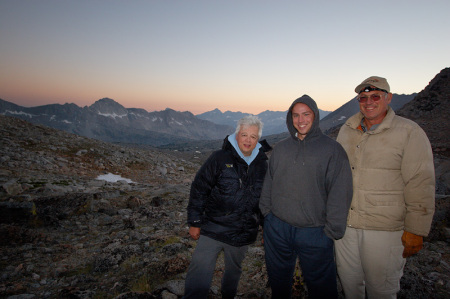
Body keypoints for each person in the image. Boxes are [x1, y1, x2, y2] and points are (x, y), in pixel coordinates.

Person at [335, 76, 435, 299]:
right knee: (350, 286)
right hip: (347, 228)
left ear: (388, 98)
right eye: (363, 98)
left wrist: (416, 229)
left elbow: (420, 181)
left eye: (375, 96)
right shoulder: (347, 130)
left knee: (382, 290)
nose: (368, 102)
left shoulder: (409, 132)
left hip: (385, 230)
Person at [259, 95, 353, 298]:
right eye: (296, 115)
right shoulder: (281, 148)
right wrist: (267, 215)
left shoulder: (332, 150)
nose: (301, 120)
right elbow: (269, 182)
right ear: (290, 118)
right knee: (278, 282)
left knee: (322, 287)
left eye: (306, 114)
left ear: (315, 116)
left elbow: (340, 192)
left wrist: (331, 231)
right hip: (278, 229)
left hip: (315, 232)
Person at [183, 115, 271, 299]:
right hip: (213, 228)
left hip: (243, 232)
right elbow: (200, 188)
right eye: (244, 134)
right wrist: (195, 221)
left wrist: (266, 229)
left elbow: (264, 200)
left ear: (257, 140)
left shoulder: (263, 164)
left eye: (253, 136)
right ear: (237, 135)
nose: (248, 140)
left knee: (234, 271)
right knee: (200, 269)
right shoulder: (219, 158)